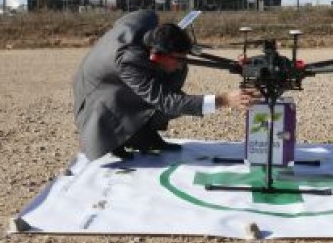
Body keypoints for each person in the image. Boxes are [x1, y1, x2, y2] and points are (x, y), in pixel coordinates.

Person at [72, 9, 259, 161]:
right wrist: (223, 100)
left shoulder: (150, 24)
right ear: (156, 56)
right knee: (168, 100)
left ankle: (146, 136)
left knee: (177, 76)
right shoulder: (128, 62)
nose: (181, 62)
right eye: (178, 58)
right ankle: (123, 140)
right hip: (100, 89)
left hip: (122, 64)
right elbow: (167, 101)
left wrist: (237, 65)